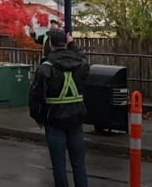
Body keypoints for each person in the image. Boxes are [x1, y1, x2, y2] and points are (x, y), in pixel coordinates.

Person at [29, 29, 90, 187]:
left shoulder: (46, 67)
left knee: (59, 165)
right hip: (76, 119)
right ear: (66, 42)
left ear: (51, 44)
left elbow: (36, 96)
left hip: (54, 120)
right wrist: (74, 45)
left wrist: (39, 118)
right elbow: (85, 61)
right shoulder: (79, 64)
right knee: (79, 164)